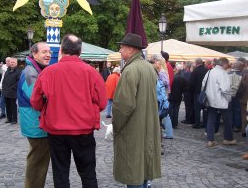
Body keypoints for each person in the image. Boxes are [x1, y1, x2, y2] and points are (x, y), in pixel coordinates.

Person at [30, 34, 107, 188]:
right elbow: (103, 103)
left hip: (57, 130)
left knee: (60, 174)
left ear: (61, 50)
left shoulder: (48, 72)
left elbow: (35, 101)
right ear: (80, 51)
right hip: (83, 130)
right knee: (88, 174)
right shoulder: (91, 72)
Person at [112, 33, 161, 188]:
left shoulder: (130, 70)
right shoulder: (148, 67)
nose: (120, 51)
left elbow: (123, 106)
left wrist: (116, 126)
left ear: (131, 49)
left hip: (133, 128)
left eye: (122, 47)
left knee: (133, 170)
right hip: (147, 125)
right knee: (144, 169)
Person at [18, 42, 52, 188]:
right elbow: (36, 98)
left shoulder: (35, 69)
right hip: (35, 124)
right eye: (44, 52)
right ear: (34, 54)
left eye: (49, 51)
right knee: (37, 161)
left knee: (38, 160)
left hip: (35, 122)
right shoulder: (30, 72)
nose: (48, 54)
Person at [202, 58, 233, 147]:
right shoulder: (223, 73)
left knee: (211, 119)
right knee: (227, 119)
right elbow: (225, 89)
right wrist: (229, 98)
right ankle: (228, 138)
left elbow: (203, 84)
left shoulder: (210, 72)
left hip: (211, 99)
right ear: (224, 64)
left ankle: (210, 140)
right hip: (221, 100)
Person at [188, 58, 209, 129]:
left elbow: (191, 83)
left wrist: (191, 91)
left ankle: (197, 123)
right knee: (205, 108)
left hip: (197, 92)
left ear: (196, 63)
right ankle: (205, 123)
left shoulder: (195, 71)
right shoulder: (207, 70)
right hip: (205, 92)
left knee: (197, 109)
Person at [2, 58, 21, 124]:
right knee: (7, 105)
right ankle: (9, 118)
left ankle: (14, 119)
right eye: (11, 62)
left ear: (16, 63)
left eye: (13, 62)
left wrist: (12, 87)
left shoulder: (18, 71)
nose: (12, 63)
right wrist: (3, 87)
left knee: (13, 106)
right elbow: (4, 79)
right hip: (6, 91)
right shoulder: (8, 70)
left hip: (13, 91)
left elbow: (19, 82)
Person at [168, 64, 187, 129]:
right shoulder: (183, 78)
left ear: (176, 69)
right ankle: (175, 123)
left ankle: (170, 123)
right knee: (176, 109)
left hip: (172, 95)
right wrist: (181, 91)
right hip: (179, 96)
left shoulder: (173, 77)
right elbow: (186, 87)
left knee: (171, 109)